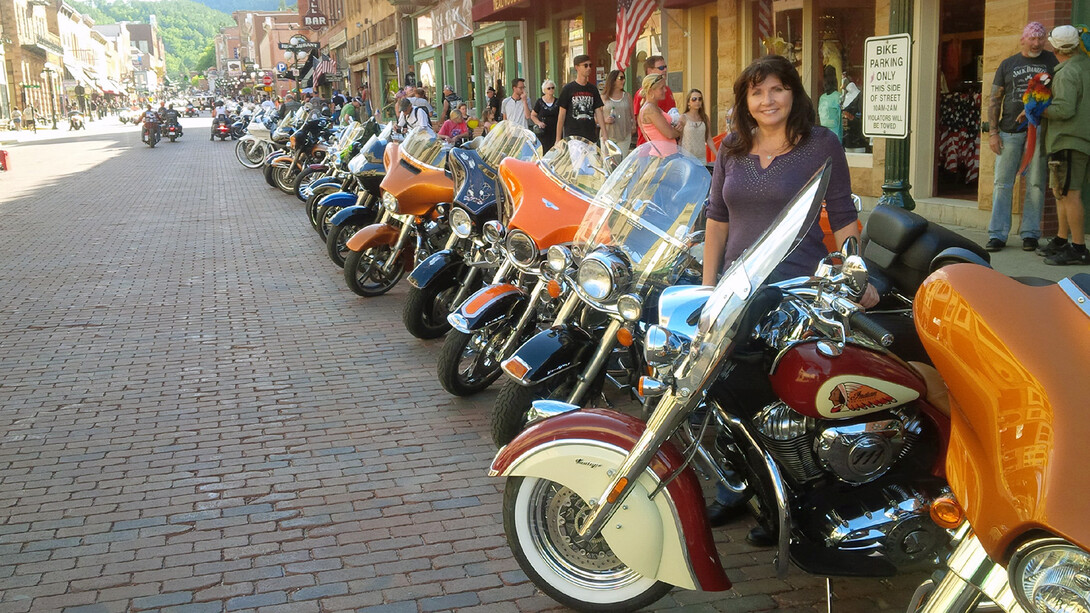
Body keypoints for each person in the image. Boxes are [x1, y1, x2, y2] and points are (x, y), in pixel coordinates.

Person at [702, 55, 876, 539]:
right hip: (738, 289)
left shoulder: (820, 145)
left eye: (777, 89)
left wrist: (856, 274)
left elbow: (841, 215)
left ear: (793, 94)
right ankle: (735, 487)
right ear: (746, 101)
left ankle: (782, 503)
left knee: (784, 396)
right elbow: (716, 218)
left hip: (795, 289)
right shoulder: (732, 149)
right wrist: (709, 284)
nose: (767, 100)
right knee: (727, 389)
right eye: (757, 92)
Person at [984, 21, 1057, 253]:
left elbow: (1059, 95)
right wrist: (993, 132)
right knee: (1002, 183)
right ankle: (997, 234)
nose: (1037, 43)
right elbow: (995, 99)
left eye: (1041, 38)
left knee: (1036, 182)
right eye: (1032, 39)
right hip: (1008, 132)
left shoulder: (1052, 62)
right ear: (1023, 40)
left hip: (1039, 130)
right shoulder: (1008, 64)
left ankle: (1030, 234)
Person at [1040, 25, 1090, 265]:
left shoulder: (1068, 72)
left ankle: (1079, 248)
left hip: (1068, 140)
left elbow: (1065, 109)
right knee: (1061, 193)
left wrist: (1038, 108)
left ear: (1055, 47)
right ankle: (1061, 239)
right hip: (1075, 140)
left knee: (1070, 195)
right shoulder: (1084, 65)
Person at [556, 54, 605, 144]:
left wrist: (605, 135)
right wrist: (558, 139)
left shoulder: (593, 89)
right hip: (573, 136)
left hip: (590, 136)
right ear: (577, 67)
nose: (589, 68)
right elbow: (561, 114)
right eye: (585, 65)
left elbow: (598, 111)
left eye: (590, 65)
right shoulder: (568, 88)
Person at [632, 56, 677, 146]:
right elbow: (640, 122)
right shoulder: (643, 94)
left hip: (668, 145)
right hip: (651, 147)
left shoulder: (666, 91)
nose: (664, 70)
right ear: (649, 71)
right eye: (661, 68)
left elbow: (671, 115)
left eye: (665, 67)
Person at [637, 74, 681, 148]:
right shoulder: (650, 109)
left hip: (666, 153)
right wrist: (679, 131)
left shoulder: (652, 107)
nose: (665, 90)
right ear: (651, 91)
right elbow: (669, 134)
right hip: (663, 155)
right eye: (661, 88)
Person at [601, 70, 634, 156]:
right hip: (607, 135)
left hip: (624, 135)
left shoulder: (627, 96)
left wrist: (633, 125)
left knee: (621, 164)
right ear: (613, 80)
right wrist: (605, 120)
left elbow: (632, 114)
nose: (623, 81)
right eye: (621, 78)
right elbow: (596, 117)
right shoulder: (603, 97)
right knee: (608, 165)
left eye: (624, 78)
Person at [679, 88, 716, 161]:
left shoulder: (705, 118)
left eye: (700, 99)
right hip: (687, 158)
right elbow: (680, 140)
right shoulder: (683, 118)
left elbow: (708, 138)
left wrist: (717, 154)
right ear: (688, 102)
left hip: (701, 157)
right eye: (694, 99)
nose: (697, 101)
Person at [531, 79, 561, 152]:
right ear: (544, 90)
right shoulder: (539, 102)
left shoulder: (558, 102)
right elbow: (533, 115)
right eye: (549, 88)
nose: (551, 89)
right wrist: (538, 123)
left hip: (555, 131)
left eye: (552, 87)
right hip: (543, 132)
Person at [817, 67, 842, 142]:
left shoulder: (822, 97)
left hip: (824, 133)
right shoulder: (838, 96)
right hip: (835, 133)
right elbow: (840, 118)